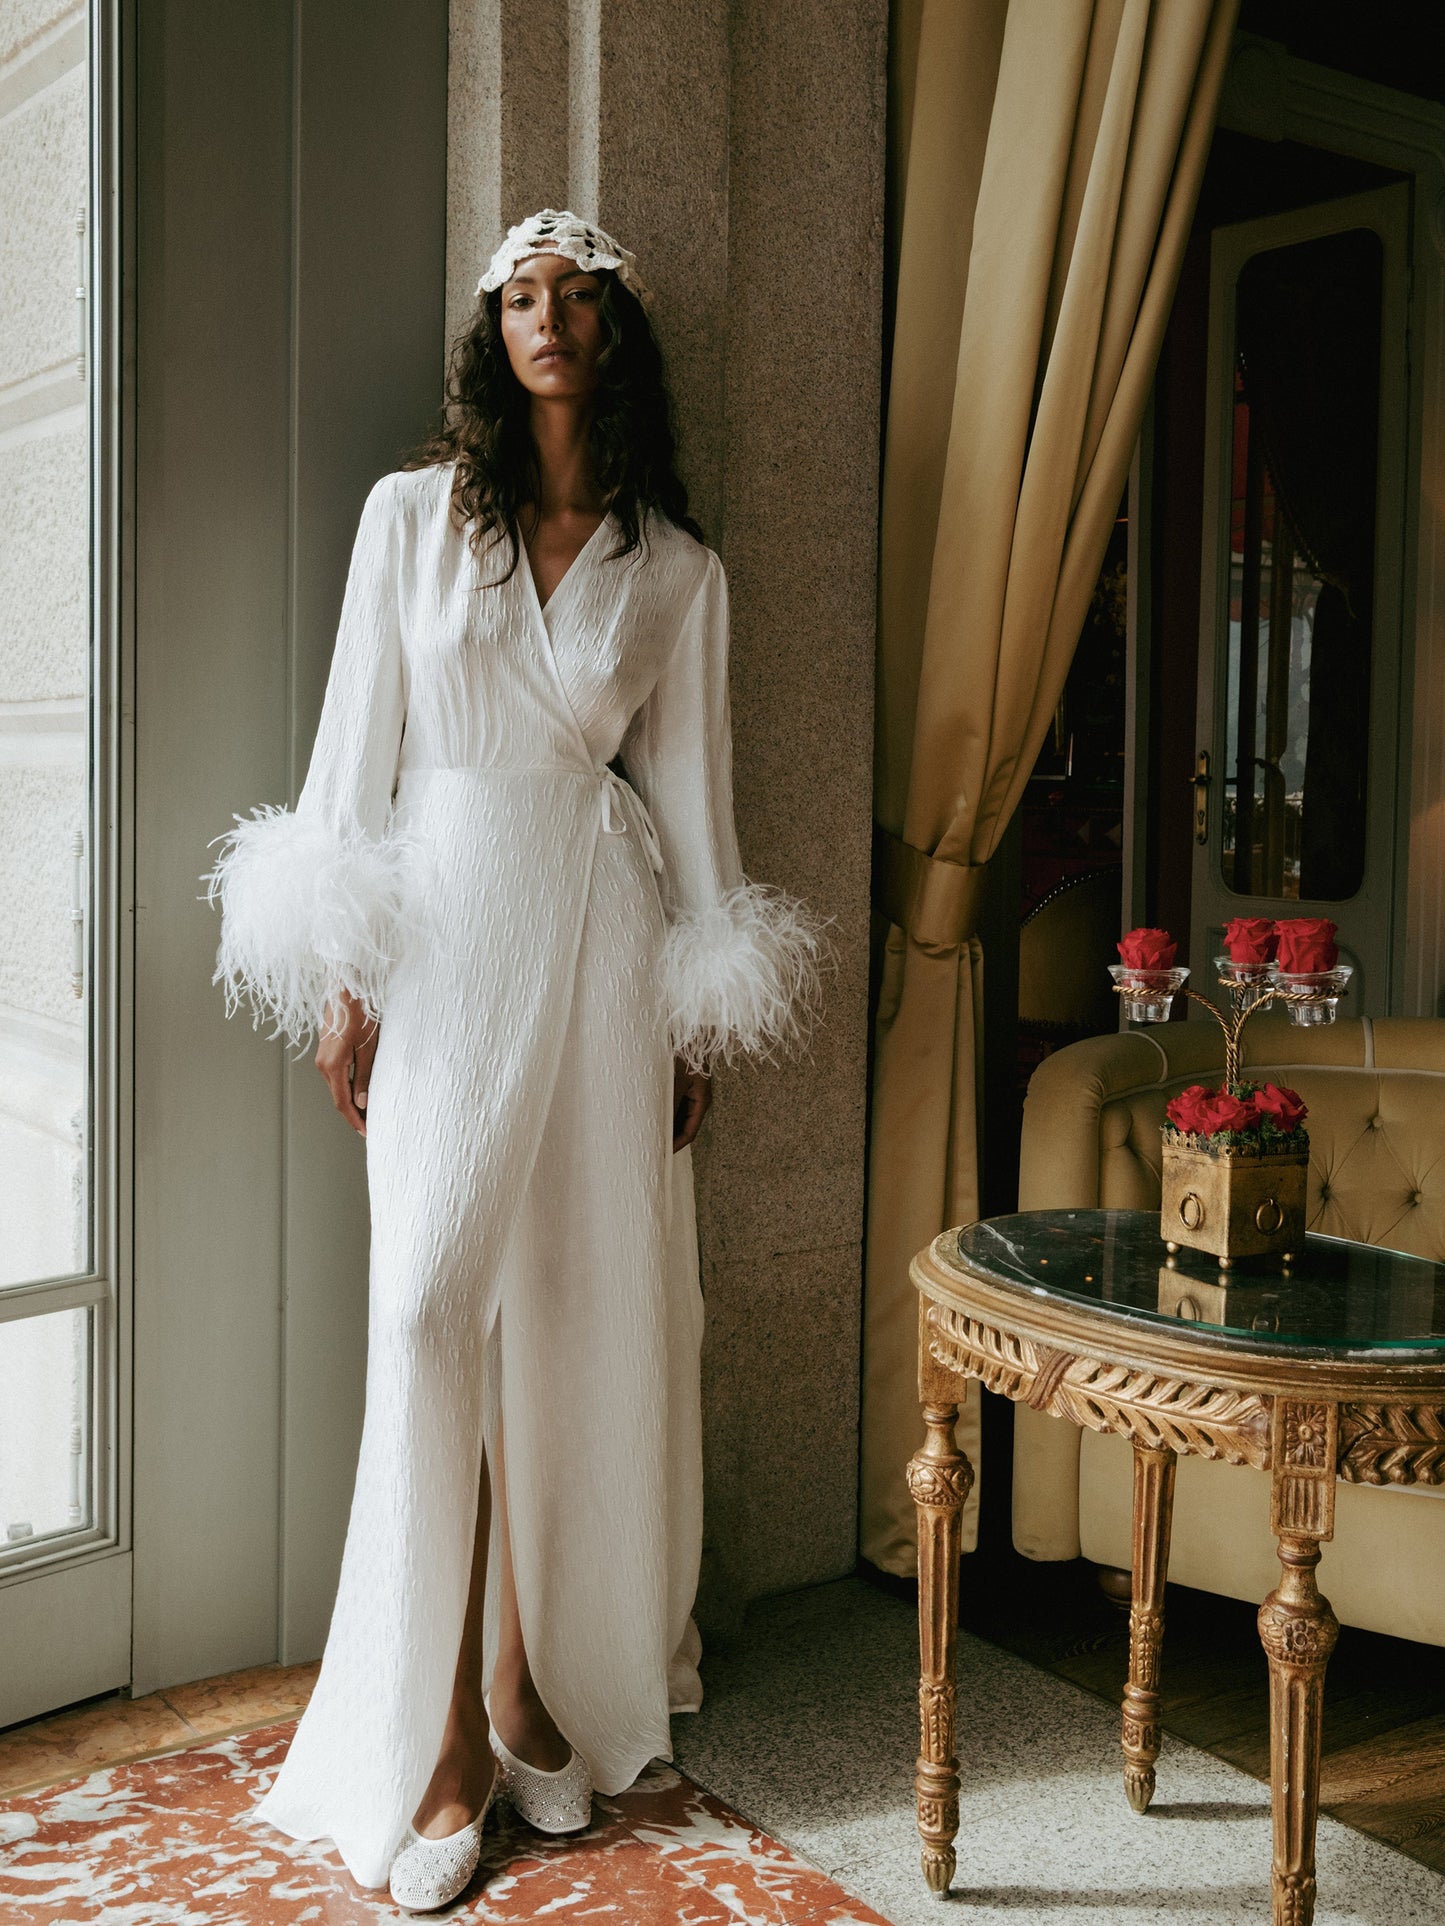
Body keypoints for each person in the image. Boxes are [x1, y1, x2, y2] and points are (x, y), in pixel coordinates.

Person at [204, 209, 826, 1910]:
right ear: (496, 331)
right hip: (443, 925)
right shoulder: (412, 520)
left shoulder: (678, 571)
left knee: (580, 1315)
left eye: (578, 296)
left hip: (611, 940)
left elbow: (692, 811)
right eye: (522, 295)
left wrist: (702, 1005)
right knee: (427, 1307)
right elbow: (348, 766)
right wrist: (345, 974)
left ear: (614, 334)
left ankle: (532, 1693)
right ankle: (438, 1752)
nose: (549, 317)